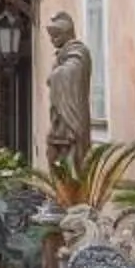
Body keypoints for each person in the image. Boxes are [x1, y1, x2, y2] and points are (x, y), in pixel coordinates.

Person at [43, 11, 92, 159]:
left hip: (73, 116)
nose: (52, 40)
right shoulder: (63, 54)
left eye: (55, 36)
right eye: (51, 37)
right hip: (59, 117)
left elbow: (72, 72)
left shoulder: (78, 51)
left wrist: (54, 76)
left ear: (66, 34)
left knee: (72, 157)